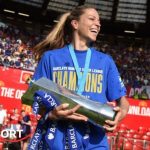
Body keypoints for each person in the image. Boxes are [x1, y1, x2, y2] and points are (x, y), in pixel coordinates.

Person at [29, 5, 129, 149]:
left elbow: (123, 102)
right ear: (75, 24)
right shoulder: (50, 58)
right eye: (92, 19)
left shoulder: (105, 61)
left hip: (95, 142)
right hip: (57, 140)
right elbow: (34, 99)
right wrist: (52, 114)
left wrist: (120, 115)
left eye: (99, 21)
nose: (98, 24)